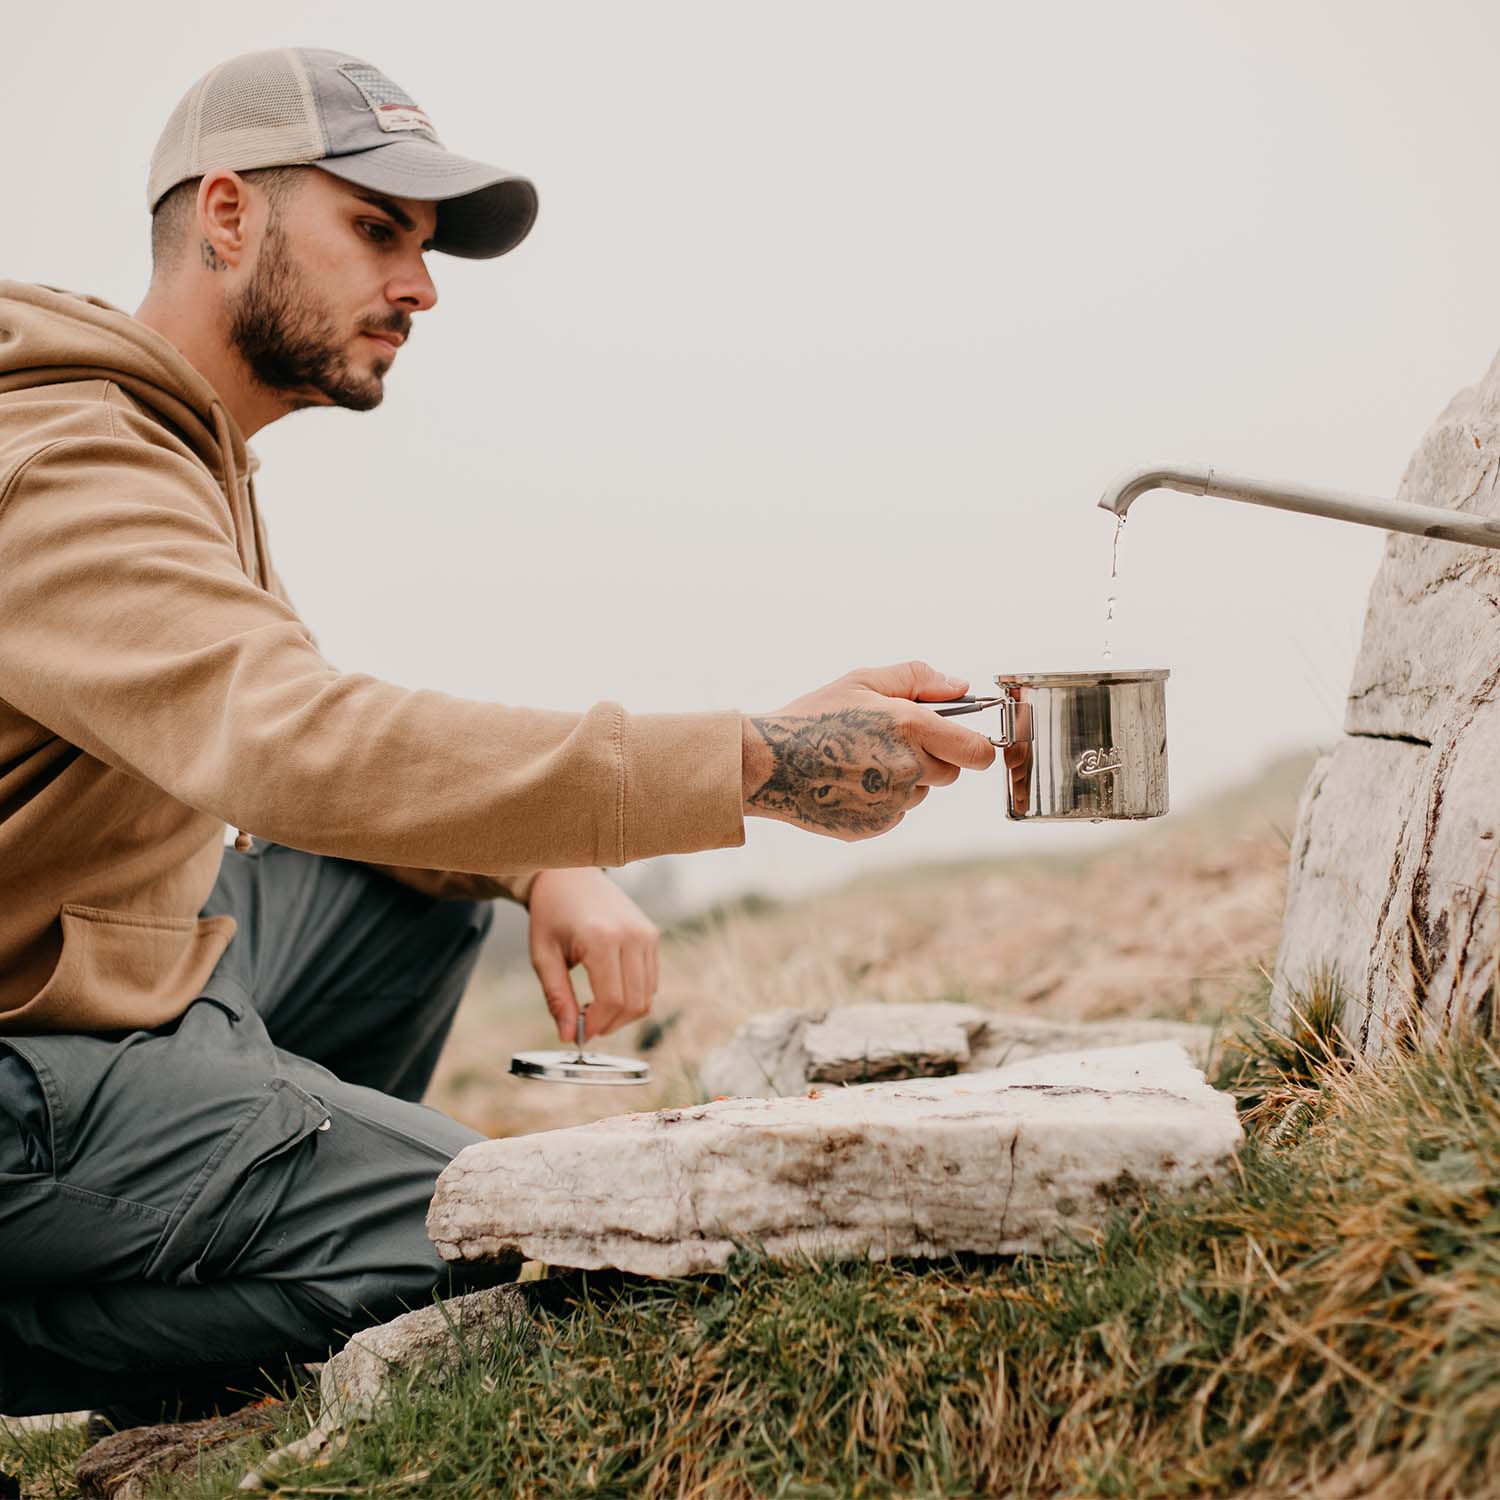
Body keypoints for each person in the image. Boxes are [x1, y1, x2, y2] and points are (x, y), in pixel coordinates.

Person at [0, 48, 994, 1423]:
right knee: (514, 1233)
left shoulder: (180, 446)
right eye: (375, 231)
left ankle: (234, 1252)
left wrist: (537, 866)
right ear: (226, 216)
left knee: (416, 886)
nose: (419, 285)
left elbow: (310, 772)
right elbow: (297, 744)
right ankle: (182, 1298)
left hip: (99, 1001)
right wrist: (763, 759)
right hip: (21, 1074)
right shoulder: (63, 454)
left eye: (420, 245)